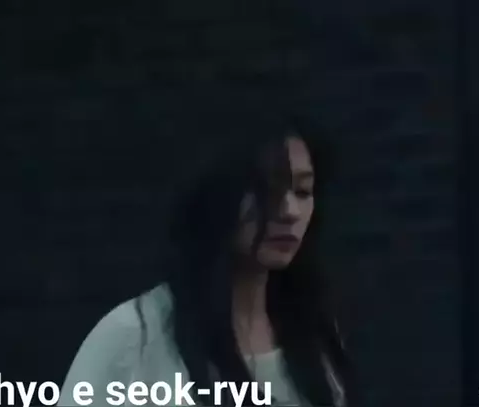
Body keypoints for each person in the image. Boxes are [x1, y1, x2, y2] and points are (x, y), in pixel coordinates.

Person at [58, 114, 358, 407]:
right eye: (268, 188)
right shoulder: (134, 336)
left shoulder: (314, 333)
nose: (290, 210)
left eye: (303, 191)